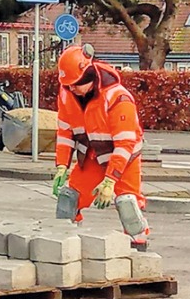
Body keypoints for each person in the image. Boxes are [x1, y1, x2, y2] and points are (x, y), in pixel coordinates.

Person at [50, 43, 150, 250]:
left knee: (128, 204)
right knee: (68, 200)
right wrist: (61, 165)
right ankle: (67, 247)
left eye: (75, 84)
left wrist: (110, 181)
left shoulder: (118, 97)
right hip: (94, 155)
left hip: (124, 158)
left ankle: (138, 248)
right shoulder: (67, 93)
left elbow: (125, 144)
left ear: (88, 75)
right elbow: (65, 132)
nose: (71, 89)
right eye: (67, 85)